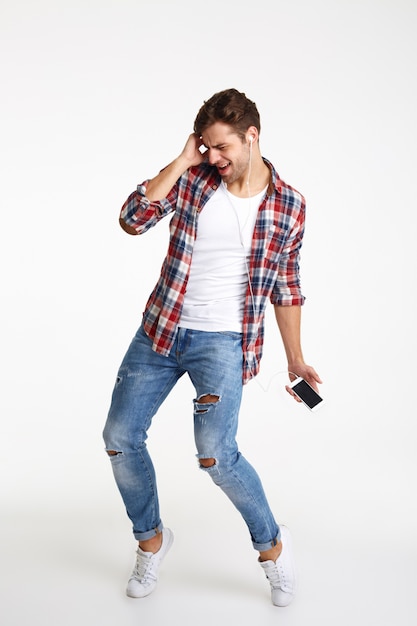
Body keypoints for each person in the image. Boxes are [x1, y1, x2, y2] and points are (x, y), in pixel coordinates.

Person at [103, 88, 322, 607]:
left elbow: (285, 286)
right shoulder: (194, 179)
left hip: (224, 341)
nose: (214, 157)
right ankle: (151, 540)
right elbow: (132, 219)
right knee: (119, 436)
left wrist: (295, 359)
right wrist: (182, 160)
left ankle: (273, 547)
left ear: (252, 136)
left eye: (221, 147)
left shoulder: (289, 204)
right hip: (162, 329)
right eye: (205, 146)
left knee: (216, 457)